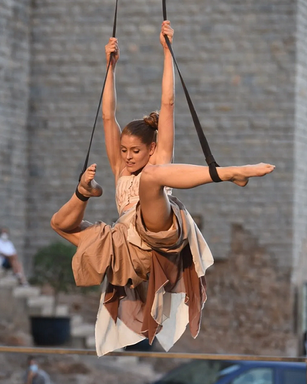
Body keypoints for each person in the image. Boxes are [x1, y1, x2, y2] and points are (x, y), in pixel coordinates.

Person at [51, 21, 275, 356]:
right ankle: (87, 191)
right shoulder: (120, 168)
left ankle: (229, 172)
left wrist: (167, 50)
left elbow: (168, 103)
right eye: (124, 151)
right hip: (127, 249)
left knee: (154, 178)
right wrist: (110, 67)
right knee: (59, 223)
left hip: (160, 235)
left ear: (152, 148)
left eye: (135, 152)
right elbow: (107, 116)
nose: (128, 157)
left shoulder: (159, 159)